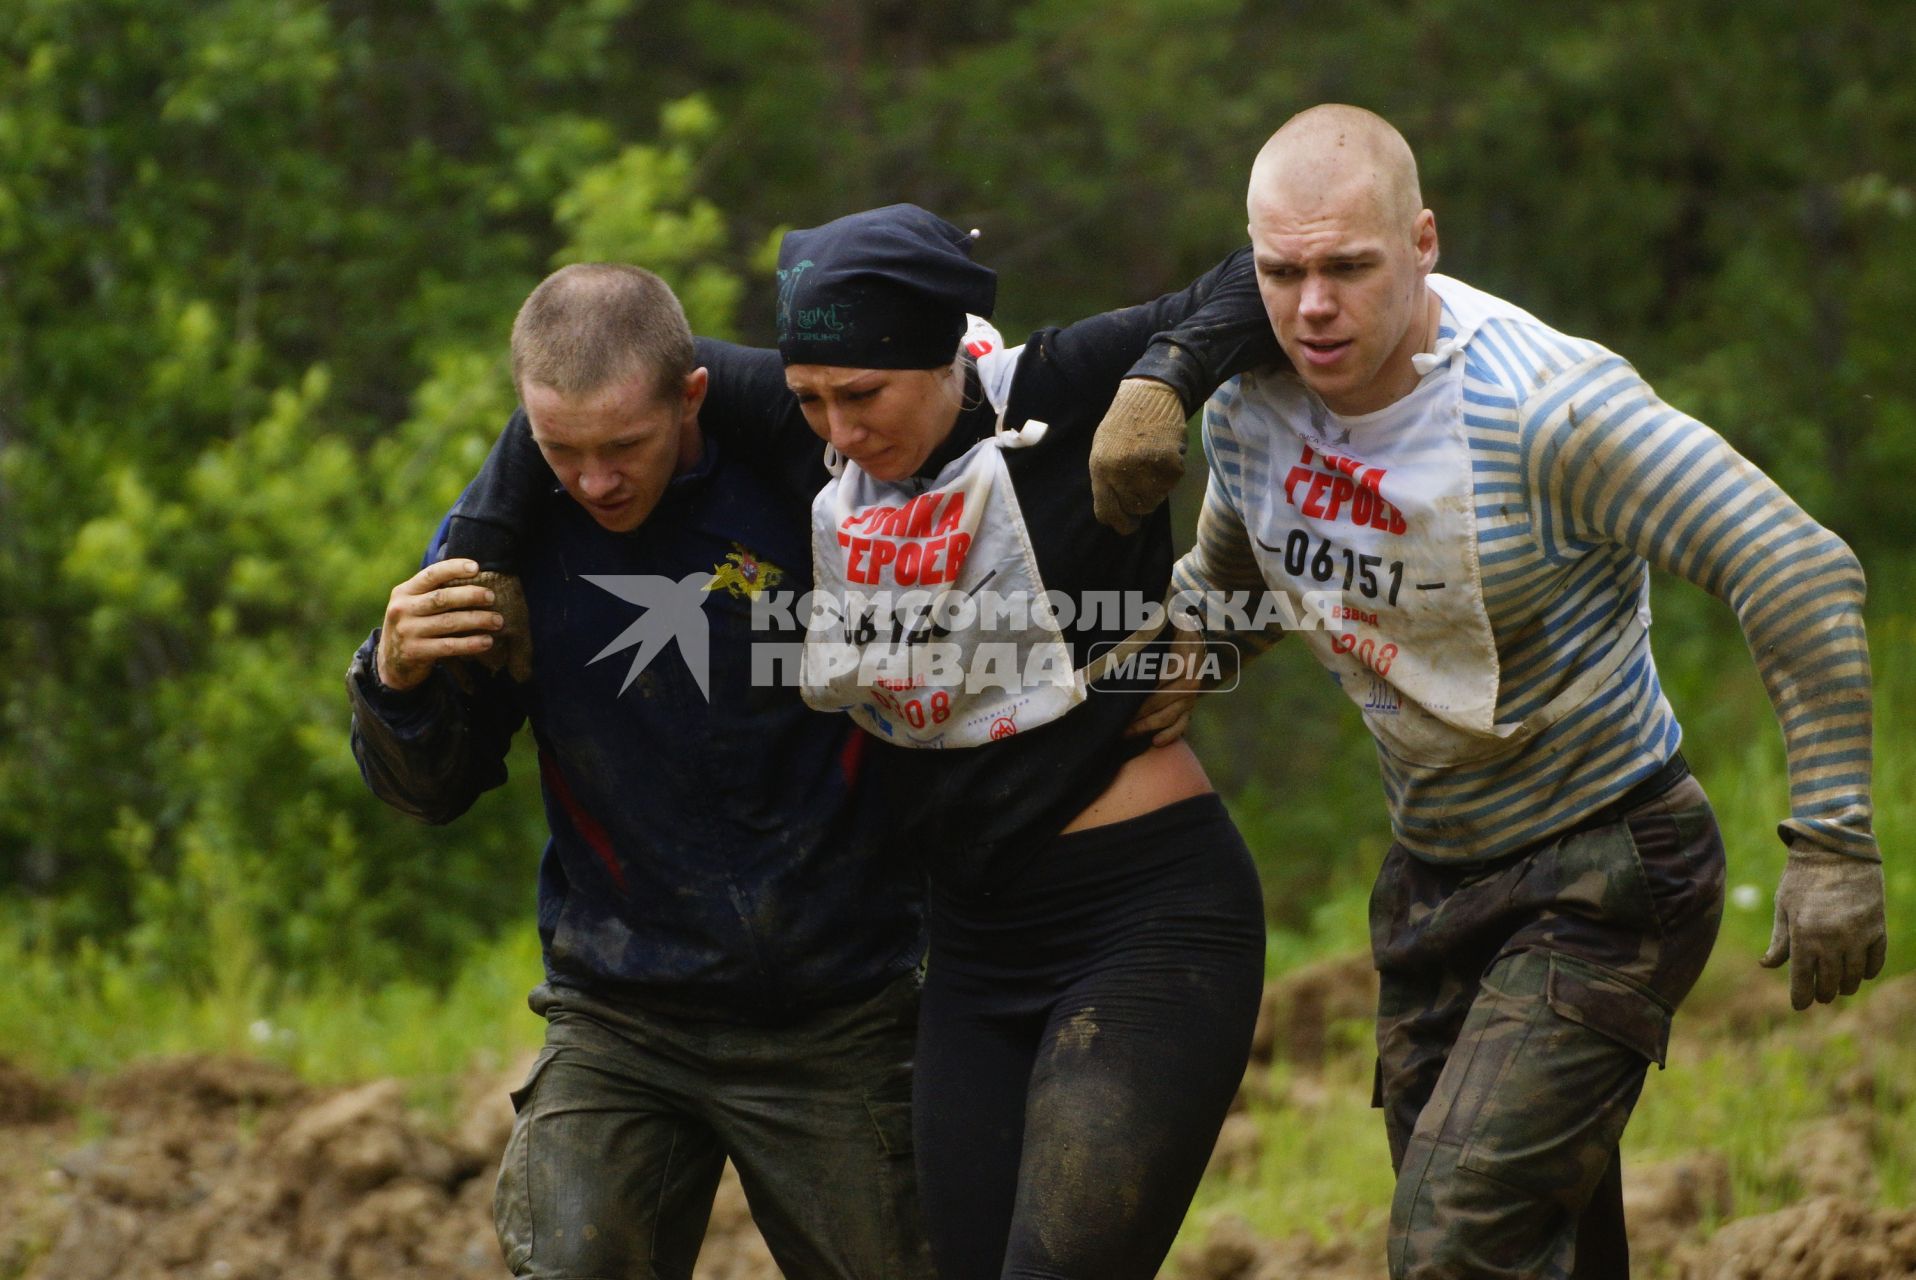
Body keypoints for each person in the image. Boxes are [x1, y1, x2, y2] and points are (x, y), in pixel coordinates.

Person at [1089, 105, 1889, 1279]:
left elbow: (1794, 565)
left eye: (1348, 268)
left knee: (1452, 1244)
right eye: (1280, 271)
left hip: (1607, 866)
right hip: (1430, 879)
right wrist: (1148, 673)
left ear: (1422, 242)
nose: (1311, 307)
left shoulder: (1549, 412)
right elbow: (1236, 582)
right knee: (1534, 1246)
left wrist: (1830, 839)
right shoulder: (1249, 405)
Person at [443, 205, 1284, 1280]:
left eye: (862, 398)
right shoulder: (803, 405)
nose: (834, 431)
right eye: (808, 402)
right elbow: (602, 382)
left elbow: (1262, 281)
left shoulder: (1054, 386)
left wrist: (1166, 375)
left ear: (939, 355)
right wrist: (483, 544)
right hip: (971, 943)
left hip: (1133, 906)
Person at [347, 263, 934, 1280]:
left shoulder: (810, 488)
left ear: (690, 395)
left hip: (837, 1008)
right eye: (560, 450)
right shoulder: (502, 546)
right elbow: (428, 789)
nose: (596, 480)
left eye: (623, 445)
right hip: (623, 1011)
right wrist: (392, 678)